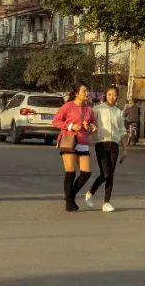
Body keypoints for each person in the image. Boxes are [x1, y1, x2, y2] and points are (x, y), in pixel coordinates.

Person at [52, 83, 96, 212]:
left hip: (83, 141)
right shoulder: (68, 106)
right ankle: (69, 203)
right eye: (84, 91)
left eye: (87, 91)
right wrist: (71, 126)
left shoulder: (89, 109)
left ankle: (70, 197)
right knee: (70, 173)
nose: (86, 93)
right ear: (76, 93)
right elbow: (55, 121)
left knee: (86, 173)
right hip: (69, 140)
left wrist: (92, 127)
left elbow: (93, 123)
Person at [84, 86, 128, 213]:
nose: (112, 97)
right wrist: (91, 130)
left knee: (111, 175)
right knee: (105, 173)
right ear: (105, 95)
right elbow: (90, 123)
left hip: (114, 145)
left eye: (114, 95)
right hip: (101, 144)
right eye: (109, 94)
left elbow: (122, 131)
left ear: (117, 96)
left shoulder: (118, 112)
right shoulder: (97, 109)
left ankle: (107, 202)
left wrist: (125, 149)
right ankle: (90, 193)